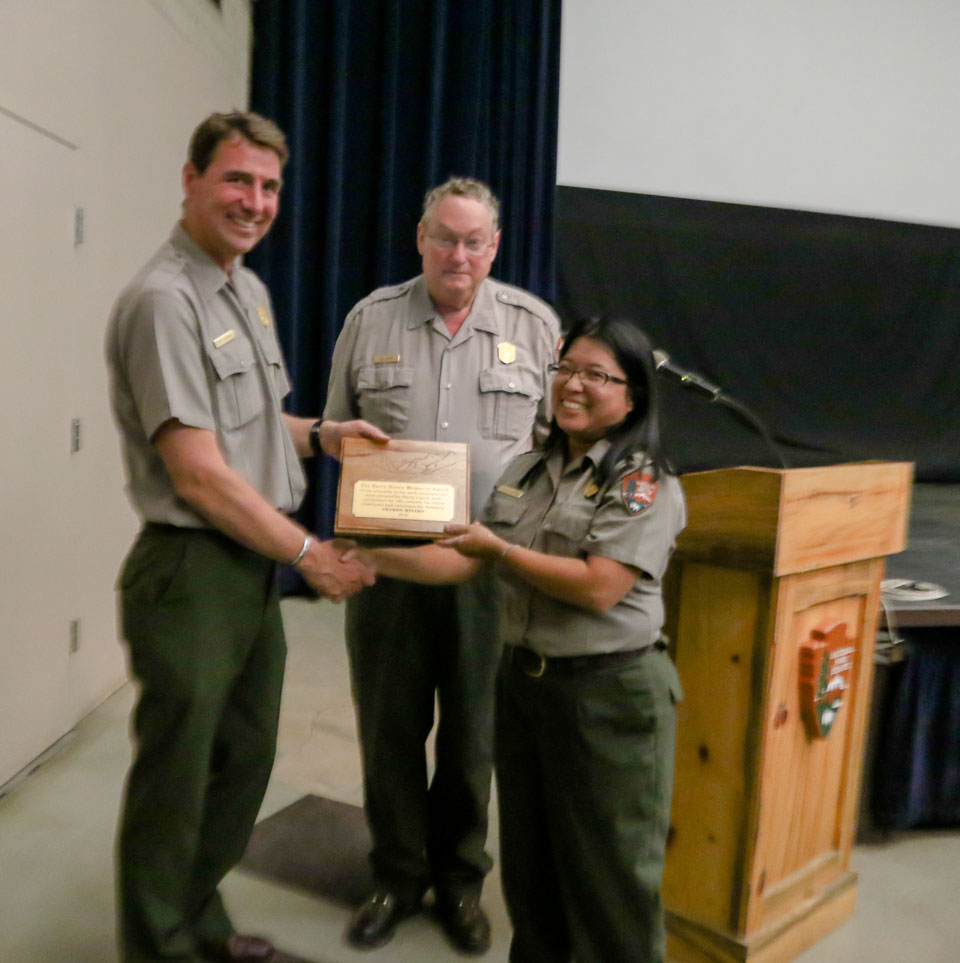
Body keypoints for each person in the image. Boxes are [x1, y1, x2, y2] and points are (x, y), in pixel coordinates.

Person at [105, 111, 382, 963]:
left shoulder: (244, 289)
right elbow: (197, 472)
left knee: (243, 759)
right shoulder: (165, 300)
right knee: (178, 778)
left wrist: (325, 436)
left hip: (247, 568)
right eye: (235, 179)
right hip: (191, 569)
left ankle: (198, 921)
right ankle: (158, 943)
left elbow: (255, 430)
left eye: (267, 186)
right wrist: (308, 555)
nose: (254, 201)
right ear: (189, 179)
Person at [359, 317, 686, 963]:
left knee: (610, 886)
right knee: (531, 877)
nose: (573, 384)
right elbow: (462, 560)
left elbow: (598, 586)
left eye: (597, 375)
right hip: (527, 688)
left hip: (609, 697)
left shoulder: (643, 481)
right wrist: (366, 558)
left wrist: (500, 549)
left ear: (634, 395)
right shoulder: (528, 468)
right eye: (565, 368)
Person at [316, 177, 560, 953]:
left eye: (474, 241)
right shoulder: (371, 317)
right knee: (388, 727)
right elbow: (332, 428)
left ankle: (459, 882)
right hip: (388, 566)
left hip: (491, 570)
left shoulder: (534, 324)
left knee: (473, 735)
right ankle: (394, 874)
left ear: (495, 245)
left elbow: (557, 446)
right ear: (420, 238)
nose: (459, 254)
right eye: (445, 237)